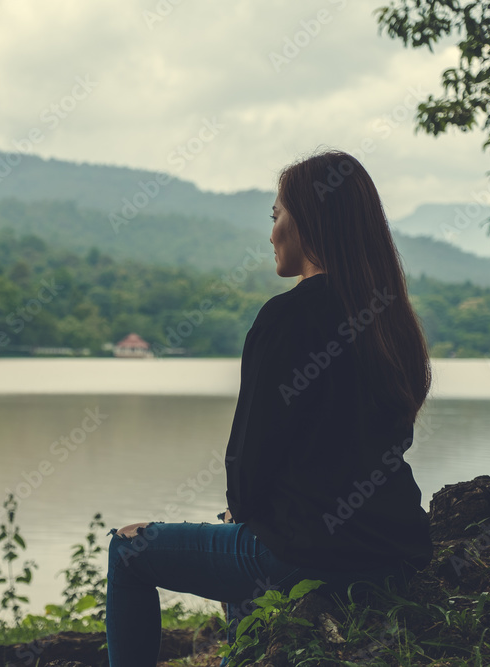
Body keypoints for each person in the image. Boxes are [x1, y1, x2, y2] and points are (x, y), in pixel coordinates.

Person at [104, 149, 434, 666]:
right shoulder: (391, 321)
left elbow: (249, 455)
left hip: (310, 555)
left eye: (277, 215)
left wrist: (243, 508)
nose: (272, 231)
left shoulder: (286, 317)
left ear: (308, 221)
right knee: (242, 521)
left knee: (128, 551)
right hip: (395, 549)